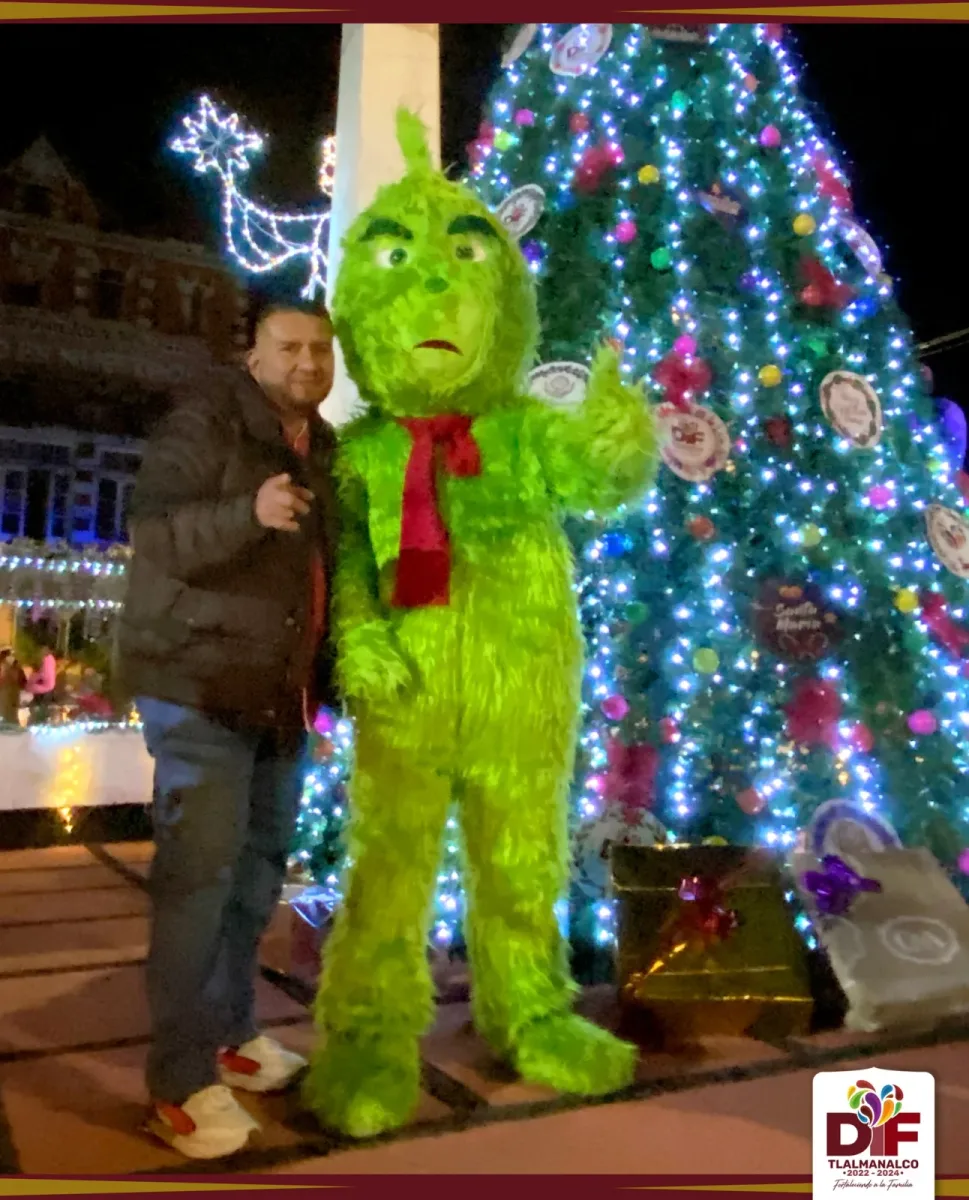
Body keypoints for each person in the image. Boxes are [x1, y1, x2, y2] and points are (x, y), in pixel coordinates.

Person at [118, 297, 339, 1160]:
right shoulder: (204, 422)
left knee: (253, 883)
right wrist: (246, 513)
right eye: (289, 347)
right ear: (252, 355)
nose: (307, 363)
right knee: (196, 887)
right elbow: (156, 534)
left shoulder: (318, 445)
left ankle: (231, 1035)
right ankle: (176, 1084)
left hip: (277, 697)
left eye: (321, 350)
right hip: (199, 687)